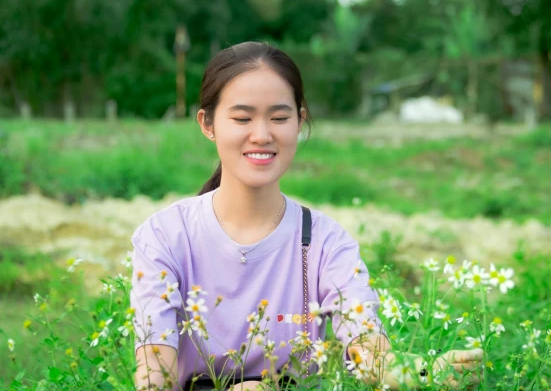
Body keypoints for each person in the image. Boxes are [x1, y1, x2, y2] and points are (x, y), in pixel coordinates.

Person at [131, 42, 482, 390]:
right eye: (242, 118)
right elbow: (155, 374)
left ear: (299, 122)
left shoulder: (326, 243)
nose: (262, 135)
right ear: (207, 124)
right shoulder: (165, 236)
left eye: (280, 118)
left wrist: (424, 373)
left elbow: (370, 352)